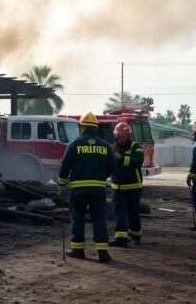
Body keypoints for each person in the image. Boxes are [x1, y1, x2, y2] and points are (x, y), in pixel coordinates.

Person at [58, 112, 117, 262]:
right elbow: (113, 166)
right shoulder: (104, 145)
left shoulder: (74, 144)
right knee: (99, 218)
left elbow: (64, 167)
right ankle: (103, 252)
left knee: (77, 217)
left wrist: (61, 184)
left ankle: (78, 251)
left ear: (81, 127)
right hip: (98, 189)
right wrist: (101, 176)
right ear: (95, 128)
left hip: (78, 190)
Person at [108, 122, 144, 247]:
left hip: (134, 187)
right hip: (117, 188)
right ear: (116, 136)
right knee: (120, 212)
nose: (121, 139)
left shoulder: (136, 147)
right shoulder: (112, 148)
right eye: (119, 136)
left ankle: (136, 235)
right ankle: (121, 238)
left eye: (124, 137)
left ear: (129, 136)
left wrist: (122, 158)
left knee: (133, 212)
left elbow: (138, 162)